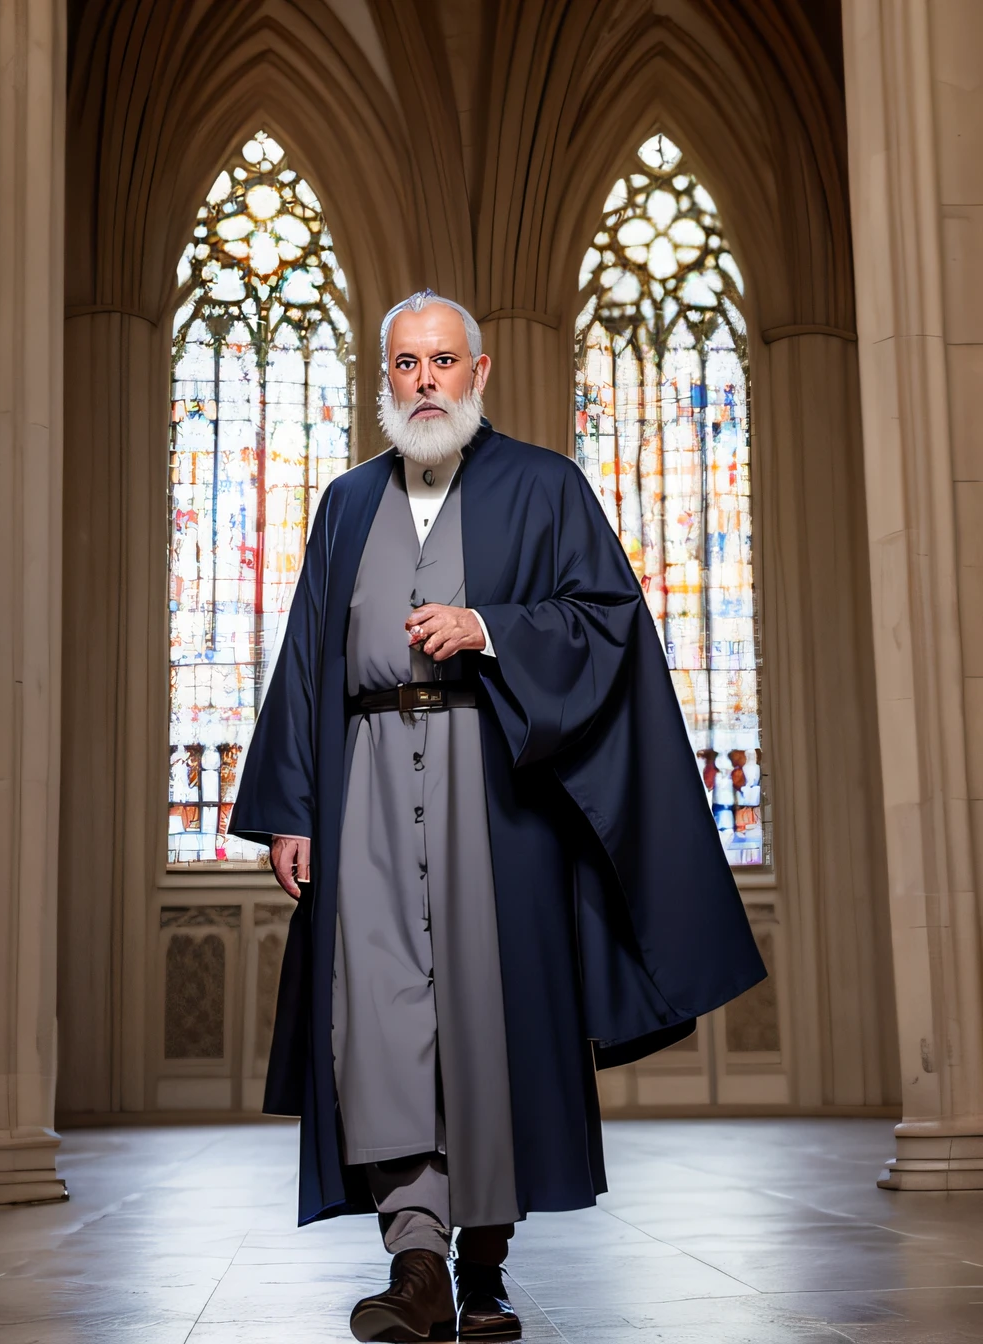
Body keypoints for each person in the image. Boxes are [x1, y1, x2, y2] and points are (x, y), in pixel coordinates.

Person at [228, 290, 766, 1343]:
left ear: (481, 372)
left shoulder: (545, 486)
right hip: (368, 779)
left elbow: (607, 623)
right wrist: (292, 807)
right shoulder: (345, 503)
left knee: (489, 1019)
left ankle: (483, 1260)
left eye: (441, 361)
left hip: (497, 784)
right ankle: (414, 1255)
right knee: (377, 1018)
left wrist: (488, 627)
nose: (422, 380)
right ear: (384, 379)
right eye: (403, 364)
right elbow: (303, 659)